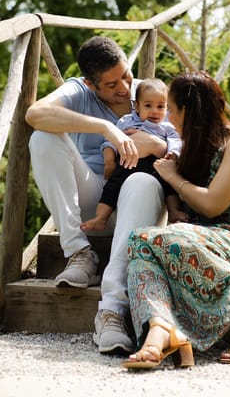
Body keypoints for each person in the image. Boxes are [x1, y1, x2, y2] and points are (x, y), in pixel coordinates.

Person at [122, 71, 230, 370]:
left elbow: (212, 205)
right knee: (140, 243)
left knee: (152, 238)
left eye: (171, 109)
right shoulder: (192, 146)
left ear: (189, 111)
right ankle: (159, 329)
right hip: (204, 242)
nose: (168, 118)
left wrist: (174, 178)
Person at [25, 36, 169, 355]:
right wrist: (106, 129)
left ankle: (112, 311)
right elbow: (36, 114)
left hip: (142, 202)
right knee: (42, 139)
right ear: (91, 84)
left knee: (142, 181)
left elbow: (186, 141)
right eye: (111, 83)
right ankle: (79, 252)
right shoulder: (80, 90)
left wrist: (160, 146)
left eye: (126, 75)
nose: (124, 88)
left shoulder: (151, 92)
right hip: (95, 204)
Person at [81, 78, 188, 232]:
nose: (154, 111)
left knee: (169, 184)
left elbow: (176, 141)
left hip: (155, 165)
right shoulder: (126, 122)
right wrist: (109, 160)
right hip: (127, 163)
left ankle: (173, 211)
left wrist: (173, 152)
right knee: (112, 187)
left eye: (160, 106)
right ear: (136, 106)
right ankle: (101, 218)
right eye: (148, 105)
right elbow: (110, 142)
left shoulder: (166, 127)